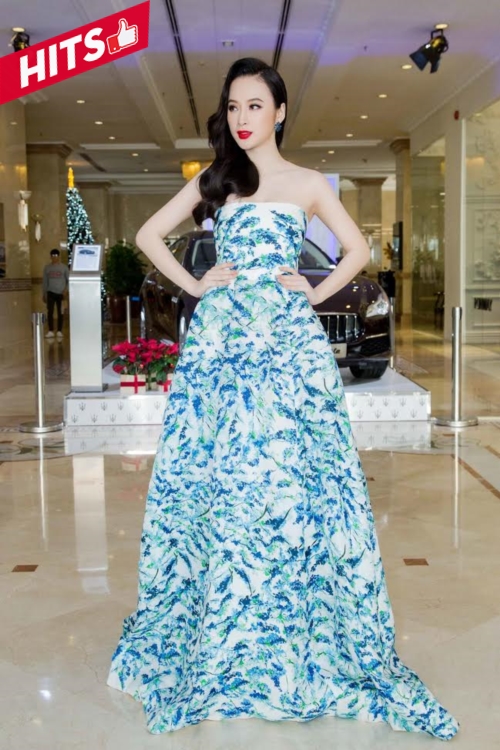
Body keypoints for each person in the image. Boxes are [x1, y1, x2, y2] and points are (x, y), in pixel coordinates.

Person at [107, 58, 459, 741]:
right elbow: (149, 235)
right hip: (222, 350)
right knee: (225, 478)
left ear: (280, 112)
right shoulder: (217, 180)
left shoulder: (307, 183)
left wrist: (314, 290)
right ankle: (226, 625)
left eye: (254, 105)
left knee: (293, 482)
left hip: (289, 351)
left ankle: (292, 626)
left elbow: (357, 250)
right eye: (233, 107)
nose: (242, 118)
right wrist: (197, 284)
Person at [42, 248, 69, 340]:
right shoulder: (47, 268)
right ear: (50, 257)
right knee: (50, 312)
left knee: (60, 312)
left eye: (56, 256)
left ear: (58, 256)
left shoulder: (64, 268)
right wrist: (44, 293)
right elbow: (45, 282)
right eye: (53, 256)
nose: (54, 257)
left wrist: (66, 290)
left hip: (61, 293)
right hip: (50, 292)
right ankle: (50, 330)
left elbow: (68, 280)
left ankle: (59, 330)